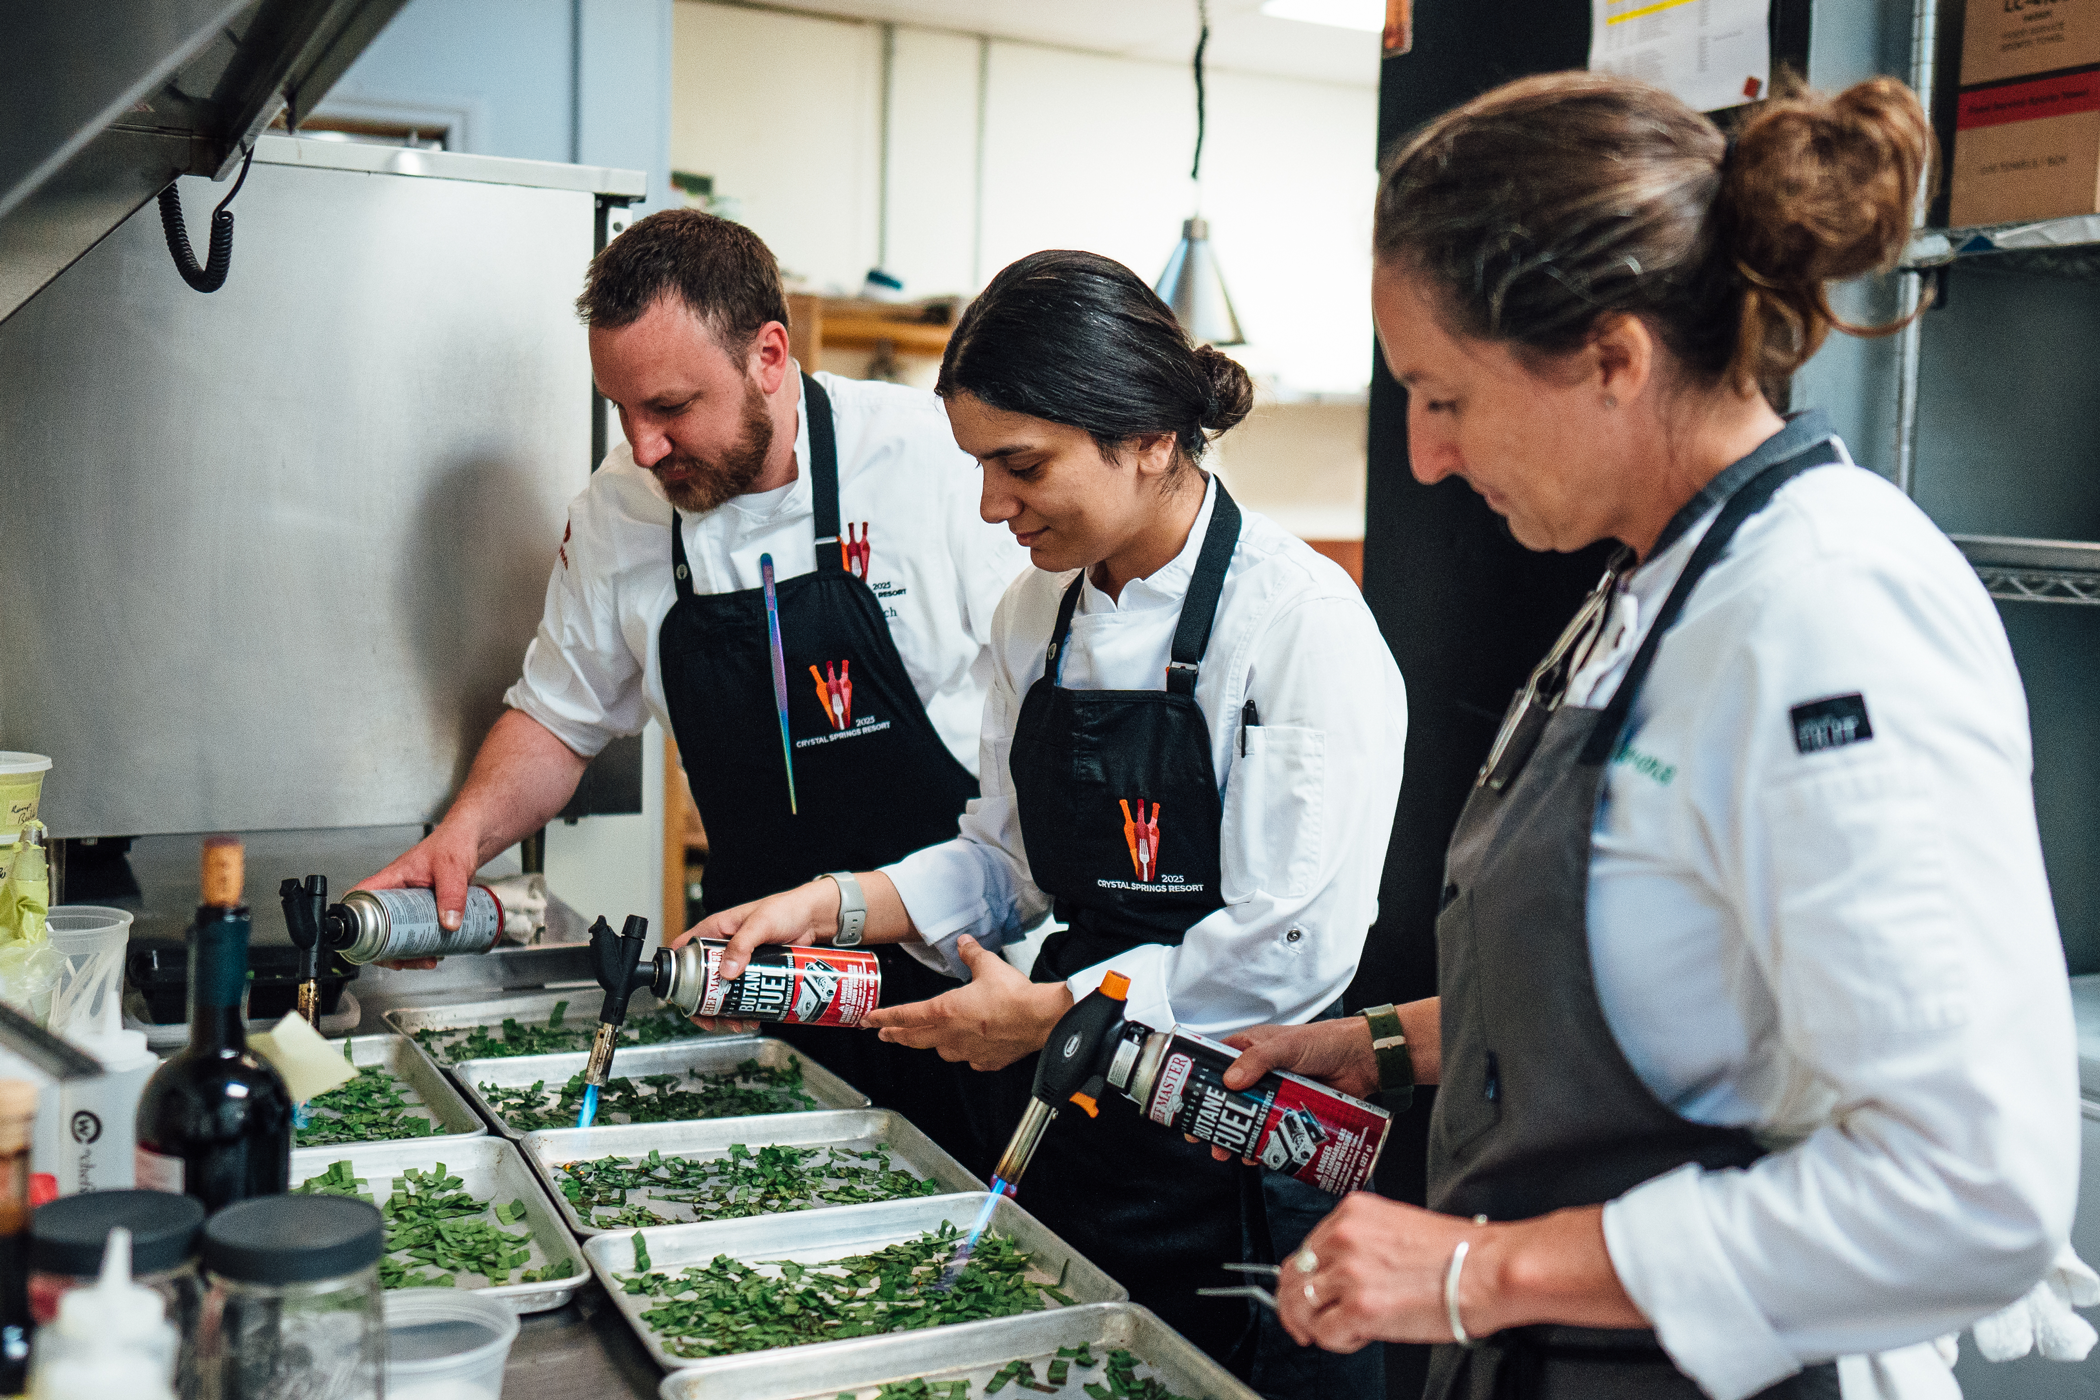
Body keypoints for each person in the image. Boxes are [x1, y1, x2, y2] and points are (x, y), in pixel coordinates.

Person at [1210, 72, 2086, 1400]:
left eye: (1444, 396)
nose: (1428, 457)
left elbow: (1967, 1190)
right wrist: (1383, 1044)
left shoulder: (1832, 609)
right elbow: (1684, 987)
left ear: (1616, 360)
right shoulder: (1651, 582)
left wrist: (1475, 1273)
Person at [686, 249, 1408, 1391]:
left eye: (1020, 464)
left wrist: (1051, 1013)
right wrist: (828, 904)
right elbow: (1002, 860)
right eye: (978, 466)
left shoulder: (1297, 624)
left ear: (1151, 438)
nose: (989, 505)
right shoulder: (1038, 613)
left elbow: (1290, 952)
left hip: (1230, 1149)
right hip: (1072, 1127)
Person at [359, 210, 1031, 1171]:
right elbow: (558, 714)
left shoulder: (930, 462)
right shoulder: (619, 512)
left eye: (671, 408)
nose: (642, 447)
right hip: (755, 972)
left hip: (958, 977)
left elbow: (1039, 716)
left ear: (768, 356)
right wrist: (458, 841)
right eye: (623, 411)